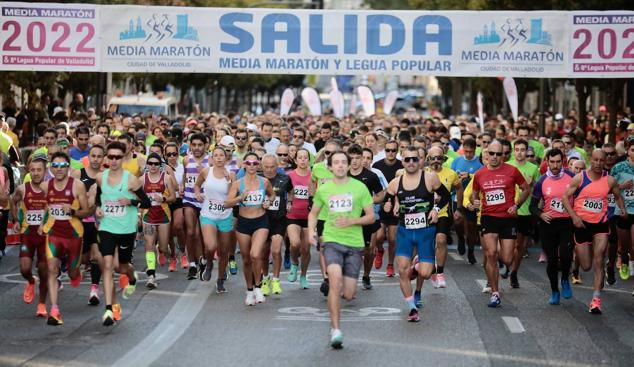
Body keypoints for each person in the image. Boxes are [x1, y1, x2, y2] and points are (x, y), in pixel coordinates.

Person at [308, 151, 374, 349]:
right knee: (334, 282)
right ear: (330, 166)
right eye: (336, 162)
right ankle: (335, 329)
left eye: (343, 162)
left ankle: (345, 298)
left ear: (348, 165)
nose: (340, 166)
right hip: (332, 240)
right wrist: (311, 230)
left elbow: (371, 217)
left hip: (354, 243)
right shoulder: (324, 189)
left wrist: (352, 220)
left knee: (349, 293)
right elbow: (313, 213)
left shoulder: (359, 187)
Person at [384, 146, 452, 321]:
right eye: (407, 159)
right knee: (402, 272)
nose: (411, 162)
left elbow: (445, 195)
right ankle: (412, 309)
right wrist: (390, 206)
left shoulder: (430, 178)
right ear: (403, 162)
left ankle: (418, 265)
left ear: (420, 160)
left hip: (425, 232)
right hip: (405, 232)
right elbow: (388, 202)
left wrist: (436, 209)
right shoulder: (395, 183)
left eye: (415, 159)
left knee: (426, 273)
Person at [562, 149, 626, 314]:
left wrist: (622, 208)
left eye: (601, 160)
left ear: (605, 162)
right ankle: (582, 257)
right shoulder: (580, 178)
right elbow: (565, 197)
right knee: (586, 266)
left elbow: (618, 195)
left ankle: (596, 300)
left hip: (601, 225)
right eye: (595, 160)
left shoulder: (610, 180)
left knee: (598, 260)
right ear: (591, 159)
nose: (598, 163)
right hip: (582, 224)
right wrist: (574, 216)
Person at [95, 142, 152, 326]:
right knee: (108, 265)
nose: (113, 160)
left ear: (122, 158)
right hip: (107, 227)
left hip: (126, 229)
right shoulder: (100, 178)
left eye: (117, 157)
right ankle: (109, 309)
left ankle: (133, 276)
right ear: (106, 158)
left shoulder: (131, 180)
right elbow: (98, 198)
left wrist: (130, 201)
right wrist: (97, 209)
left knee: (122, 266)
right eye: (110, 157)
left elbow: (147, 203)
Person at [470, 140, 530, 308]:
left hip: (508, 218)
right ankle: (495, 293)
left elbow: (526, 188)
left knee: (507, 258)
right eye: (492, 154)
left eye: (499, 154)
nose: (495, 157)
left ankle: (505, 266)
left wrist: (516, 205)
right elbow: (474, 194)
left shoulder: (512, 171)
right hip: (488, 217)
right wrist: (474, 202)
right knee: (490, 254)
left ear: (503, 155)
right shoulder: (480, 174)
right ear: (486, 154)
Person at [40, 152, 90, 326]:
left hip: (74, 235)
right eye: (55, 166)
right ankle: (54, 309)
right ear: (51, 168)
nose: (59, 169)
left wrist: (73, 211)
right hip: (54, 234)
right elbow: (46, 208)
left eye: (62, 166)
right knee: (52, 269)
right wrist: (42, 223)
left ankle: (76, 273)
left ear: (68, 168)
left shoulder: (77, 186)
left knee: (72, 273)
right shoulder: (46, 186)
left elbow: (87, 211)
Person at [225, 152, 276, 306]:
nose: (252, 166)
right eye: (249, 163)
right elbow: (227, 203)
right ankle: (249, 290)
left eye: (255, 163)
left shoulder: (265, 182)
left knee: (255, 255)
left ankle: (258, 287)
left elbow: (272, 195)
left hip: (261, 221)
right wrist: (240, 197)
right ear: (244, 165)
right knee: (246, 259)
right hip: (243, 223)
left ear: (258, 164)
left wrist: (268, 201)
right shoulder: (237, 184)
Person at [529, 148, 575, 305]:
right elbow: (532, 206)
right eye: (552, 162)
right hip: (548, 224)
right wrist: (541, 214)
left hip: (567, 222)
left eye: (558, 162)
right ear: (547, 162)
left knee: (567, 254)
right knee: (552, 260)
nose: (555, 166)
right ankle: (555, 291)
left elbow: (583, 195)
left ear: (563, 162)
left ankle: (565, 280)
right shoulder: (542, 181)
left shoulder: (572, 177)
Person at [10, 155, 49, 317]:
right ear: (28, 171)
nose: (35, 173)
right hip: (28, 234)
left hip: (45, 235)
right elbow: (13, 201)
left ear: (45, 171)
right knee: (25, 268)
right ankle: (31, 281)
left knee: (43, 270)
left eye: (39, 170)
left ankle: (41, 304)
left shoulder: (51, 189)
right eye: (32, 170)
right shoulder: (23, 189)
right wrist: (16, 220)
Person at [194, 146, 235, 293]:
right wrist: (198, 193)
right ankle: (209, 263)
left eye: (221, 155)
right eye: (215, 155)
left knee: (224, 251)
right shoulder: (206, 171)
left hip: (225, 215)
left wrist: (229, 180)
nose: (218, 158)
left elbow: (232, 195)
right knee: (211, 246)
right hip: (208, 214)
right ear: (212, 158)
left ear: (226, 157)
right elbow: (197, 185)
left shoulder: (231, 174)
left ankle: (220, 280)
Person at [347, 144, 384, 290]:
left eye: (358, 158)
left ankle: (366, 275)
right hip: (349, 220)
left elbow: (381, 195)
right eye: (352, 158)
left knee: (369, 250)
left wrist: (368, 201)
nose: (355, 161)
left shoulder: (371, 176)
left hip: (367, 218)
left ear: (362, 159)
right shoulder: (343, 174)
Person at [71, 145, 105, 305]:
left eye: (99, 156)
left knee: (97, 257)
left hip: (97, 223)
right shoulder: (79, 173)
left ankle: (94, 290)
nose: (96, 159)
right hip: (79, 222)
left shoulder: (106, 176)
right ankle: (77, 269)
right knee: (83, 259)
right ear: (88, 157)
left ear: (103, 158)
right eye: (93, 156)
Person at [426, 146, 463, 289]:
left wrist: (459, 208)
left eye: (439, 158)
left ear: (444, 159)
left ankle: (440, 272)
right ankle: (428, 268)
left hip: (443, 212)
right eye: (433, 158)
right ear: (428, 159)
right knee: (427, 243)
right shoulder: (423, 173)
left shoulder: (451, 173)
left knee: (441, 240)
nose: (436, 161)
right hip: (425, 213)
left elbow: (459, 188)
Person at [507, 139, 540, 288]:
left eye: (522, 149)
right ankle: (505, 263)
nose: (520, 152)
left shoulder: (533, 168)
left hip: (525, 211)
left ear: (527, 151)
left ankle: (514, 273)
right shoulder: (507, 166)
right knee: (508, 244)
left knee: (519, 245)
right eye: (517, 149)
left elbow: (538, 189)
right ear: (514, 151)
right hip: (508, 210)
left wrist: (531, 186)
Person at [141, 153, 176, 289]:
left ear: (160, 165)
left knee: (163, 246)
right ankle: (151, 275)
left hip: (163, 216)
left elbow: (173, 197)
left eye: (156, 164)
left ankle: (161, 250)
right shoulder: (142, 179)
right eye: (150, 163)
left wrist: (164, 199)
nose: (153, 166)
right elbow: (135, 196)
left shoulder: (166, 178)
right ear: (147, 165)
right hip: (148, 216)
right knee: (148, 244)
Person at [261, 154, 293, 296]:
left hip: (278, 219)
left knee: (276, 250)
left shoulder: (284, 178)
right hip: (261, 219)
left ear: (277, 166)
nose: (269, 170)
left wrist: (290, 202)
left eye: (272, 167)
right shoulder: (258, 179)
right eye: (266, 167)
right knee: (263, 252)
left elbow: (291, 191)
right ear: (262, 167)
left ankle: (276, 280)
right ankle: (265, 278)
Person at [372, 140, 403, 277]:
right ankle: (379, 250)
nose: (391, 153)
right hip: (381, 205)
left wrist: (397, 202)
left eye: (393, 150)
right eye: (388, 150)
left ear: (397, 152)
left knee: (392, 239)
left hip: (395, 205)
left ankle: (390, 265)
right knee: (379, 237)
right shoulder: (377, 166)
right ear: (384, 151)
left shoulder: (402, 166)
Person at [181, 133, 209, 280]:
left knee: (204, 236)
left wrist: (203, 173)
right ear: (190, 146)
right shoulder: (186, 160)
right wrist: (181, 186)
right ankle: (192, 264)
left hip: (205, 201)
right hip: (189, 199)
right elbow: (184, 177)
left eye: (200, 145)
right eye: (194, 145)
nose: (197, 148)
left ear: (205, 145)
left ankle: (203, 259)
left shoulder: (210, 160)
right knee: (191, 232)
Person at [286, 148, 313, 289]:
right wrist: (288, 202)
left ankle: (303, 276)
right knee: (295, 244)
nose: (303, 160)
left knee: (306, 249)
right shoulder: (289, 175)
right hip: (293, 216)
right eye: (300, 157)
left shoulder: (313, 176)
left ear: (309, 160)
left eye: (305, 157)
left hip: (309, 217)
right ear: (295, 160)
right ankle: (294, 263)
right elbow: (284, 192)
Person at [451, 138, 482, 259]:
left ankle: (471, 250)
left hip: (472, 199)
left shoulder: (479, 162)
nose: (468, 154)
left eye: (471, 151)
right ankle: (460, 239)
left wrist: (470, 176)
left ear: (475, 150)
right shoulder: (456, 161)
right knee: (457, 221)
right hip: (457, 197)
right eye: (466, 151)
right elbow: (452, 177)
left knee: (471, 226)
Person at [610, 138, 634, 286]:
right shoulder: (619, 168)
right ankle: (624, 258)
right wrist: (622, 186)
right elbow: (609, 189)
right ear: (628, 151)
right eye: (633, 150)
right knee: (624, 247)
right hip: (623, 211)